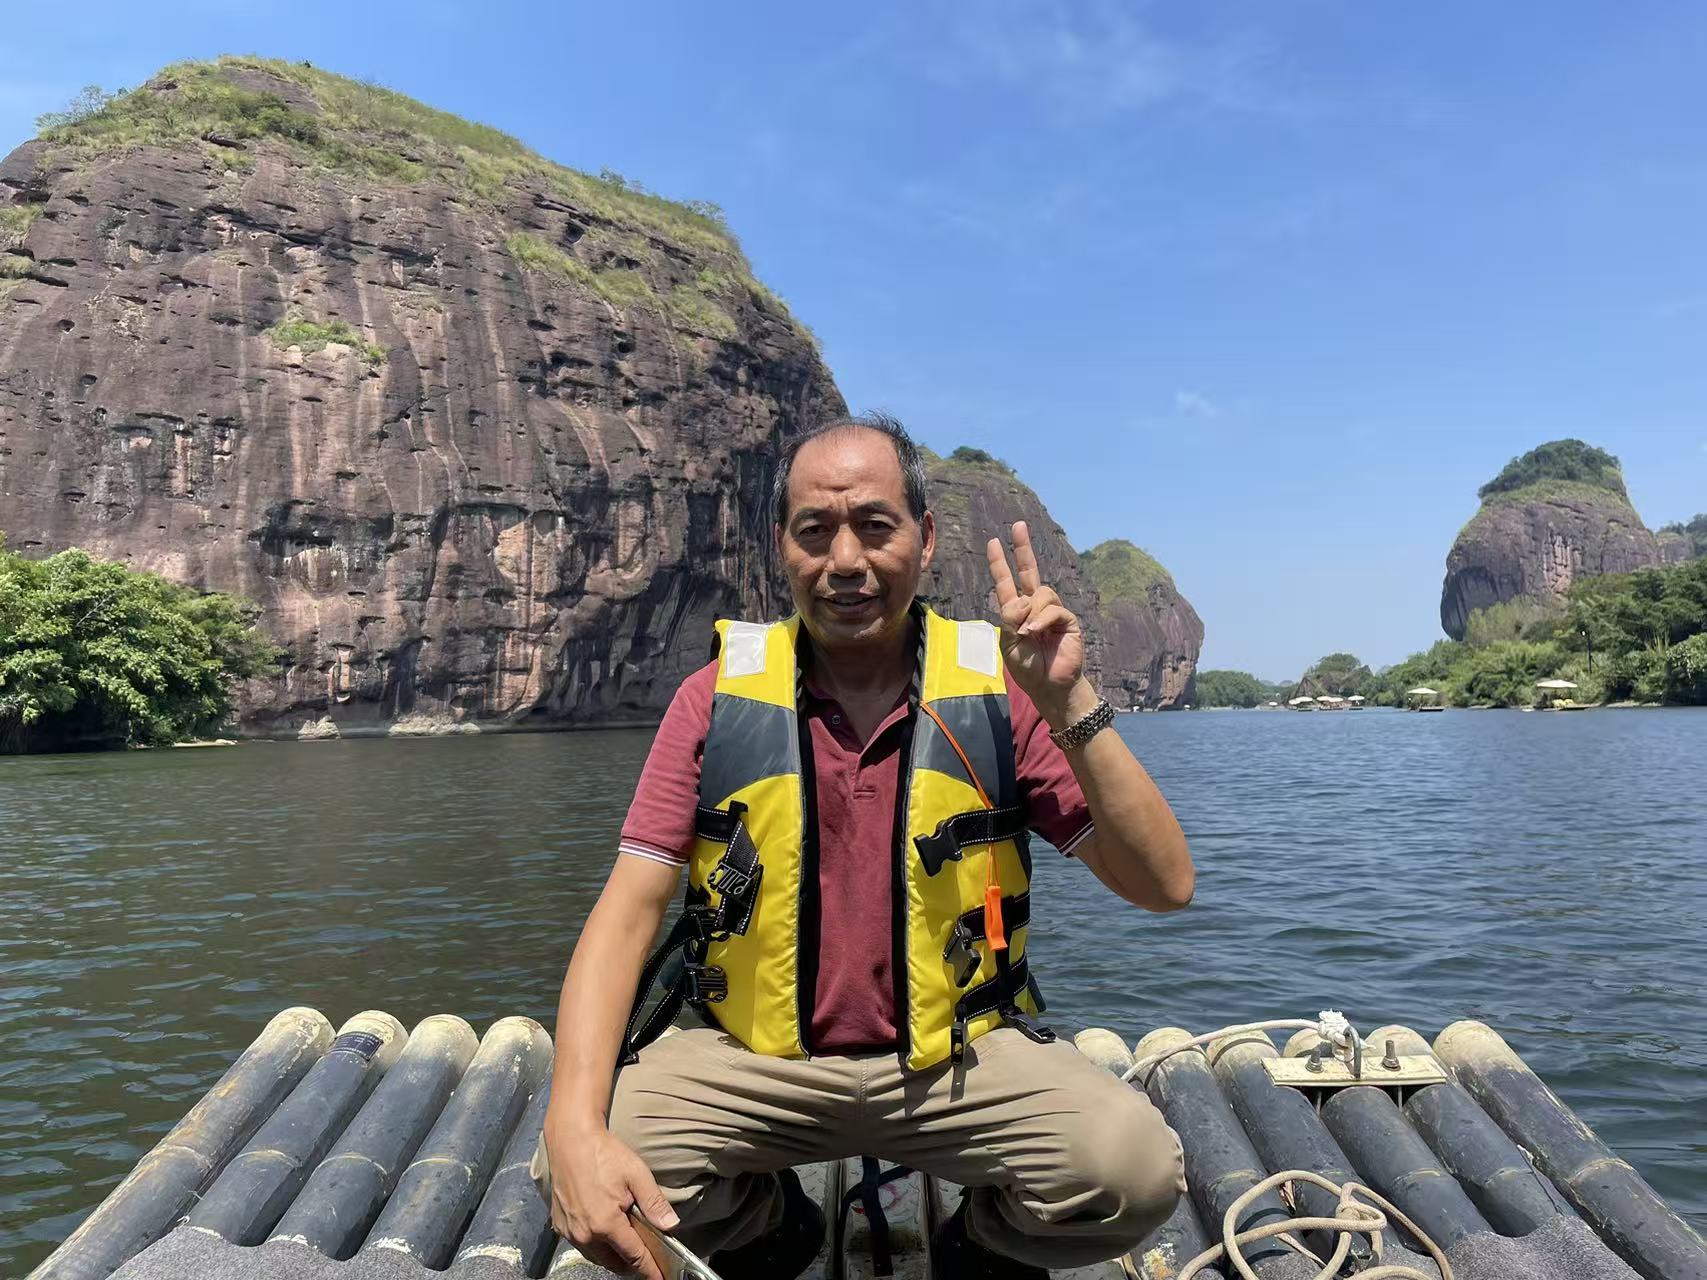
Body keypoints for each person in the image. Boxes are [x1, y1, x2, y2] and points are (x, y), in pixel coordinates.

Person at [533, 413, 1195, 1279]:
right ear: (781, 547)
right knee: (578, 1170)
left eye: (875, 526)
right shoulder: (714, 698)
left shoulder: (999, 692)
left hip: (955, 1061)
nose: (845, 560)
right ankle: (769, 1227)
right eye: (815, 531)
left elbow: (1163, 886)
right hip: (756, 1063)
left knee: (1132, 1175)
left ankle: (981, 1247)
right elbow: (627, 914)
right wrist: (572, 1124)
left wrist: (1068, 703)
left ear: (925, 540)